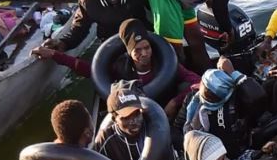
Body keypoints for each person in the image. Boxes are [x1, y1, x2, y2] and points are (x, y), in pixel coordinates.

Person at [39, 19, 201, 119]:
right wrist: (55, 55)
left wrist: (174, 102)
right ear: (129, 52)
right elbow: (91, 71)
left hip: (165, 113)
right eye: (137, 50)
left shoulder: (164, 64)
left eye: (147, 47)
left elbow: (197, 82)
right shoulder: (121, 67)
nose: (144, 54)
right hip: (133, 117)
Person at [184, 62, 252, 158]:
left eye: (211, 93)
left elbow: (257, 96)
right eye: (204, 85)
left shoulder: (234, 103)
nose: (205, 92)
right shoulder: (192, 98)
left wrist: (235, 74)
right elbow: (180, 124)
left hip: (227, 154)